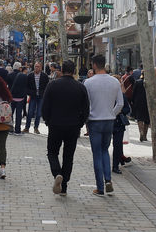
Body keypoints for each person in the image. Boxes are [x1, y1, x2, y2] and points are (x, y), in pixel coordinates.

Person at [42, 60, 90, 196]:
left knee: (52, 152)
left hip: (55, 125)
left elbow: (45, 106)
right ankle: (64, 186)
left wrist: (47, 120)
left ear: (61, 70)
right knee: (68, 156)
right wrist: (80, 123)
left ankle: (57, 173)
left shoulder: (52, 85)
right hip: (73, 126)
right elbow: (86, 109)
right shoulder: (80, 87)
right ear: (74, 71)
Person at [83, 54, 124, 196]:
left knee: (97, 154)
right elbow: (120, 103)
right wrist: (112, 113)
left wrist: (87, 117)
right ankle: (108, 179)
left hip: (95, 121)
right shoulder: (115, 82)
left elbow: (86, 104)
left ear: (94, 65)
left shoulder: (88, 83)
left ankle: (100, 187)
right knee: (105, 150)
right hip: (109, 120)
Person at [25, 61, 49, 134]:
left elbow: (47, 86)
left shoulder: (44, 76)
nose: (36, 68)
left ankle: (36, 127)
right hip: (33, 96)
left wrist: (44, 94)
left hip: (41, 96)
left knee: (38, 113)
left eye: (38, 66)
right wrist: (30, 93)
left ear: (41, 68)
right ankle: (27, 127)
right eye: (35, 66)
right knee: (30, 112)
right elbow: (27, 87)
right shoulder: (30, 76)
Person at [112, 91, 131, 174]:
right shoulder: (107, 94)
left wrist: (121, 111)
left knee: (117, 145)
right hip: (107, 122)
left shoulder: (122, 95)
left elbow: (127, 109)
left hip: (119, 123)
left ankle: (115, 166)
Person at [10, 62, 29, 133]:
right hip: (20, 98)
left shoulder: (12, 75)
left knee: (11, 113)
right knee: (18, 114)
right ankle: (17, 130)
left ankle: (10, 128)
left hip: (12, 97)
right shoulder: (24, 76)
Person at [131, 71, 150, 142]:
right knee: (147, 119)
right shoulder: (150, 83)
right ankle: (145, 135)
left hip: (139, 102)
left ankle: (141, 132)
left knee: (140, 118)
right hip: (147, 103)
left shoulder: (137, 82)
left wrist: (132, 101)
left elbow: (134, 92)